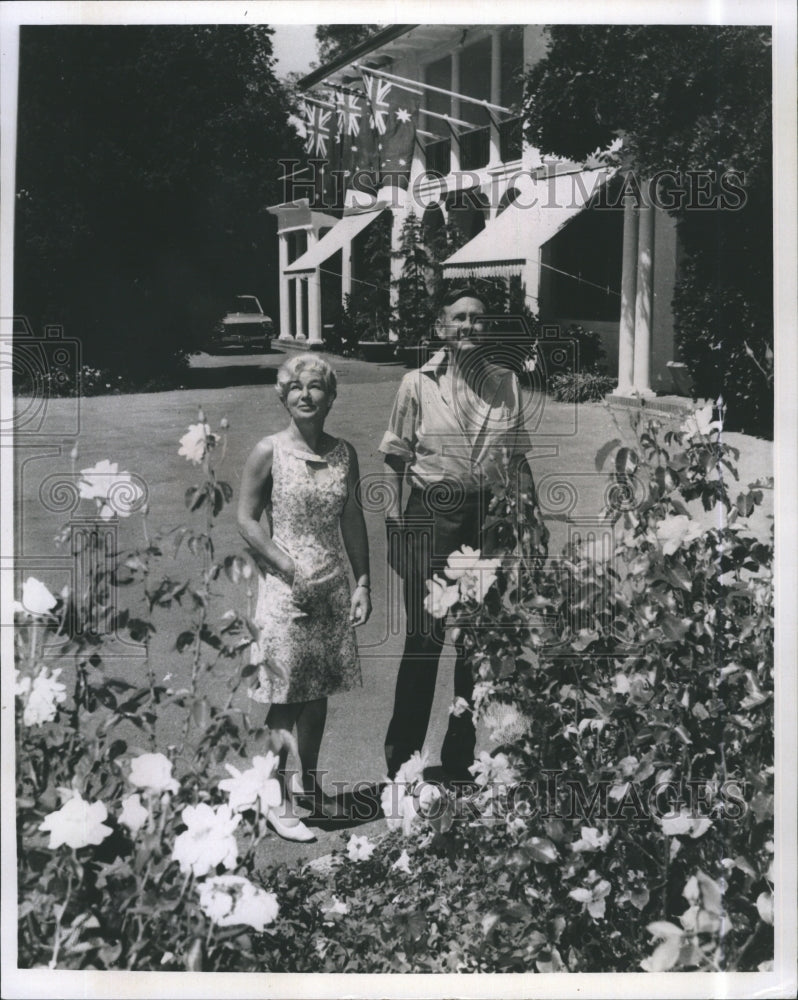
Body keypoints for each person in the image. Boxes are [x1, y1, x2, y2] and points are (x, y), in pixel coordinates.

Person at [380, 288, 535, 782]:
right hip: (431, 516)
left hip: (487, 520)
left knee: (475, 645)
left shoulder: (505, 383)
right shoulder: (415, 384)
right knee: (423, 641)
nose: (469, 326)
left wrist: (529, 520)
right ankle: (402, 761)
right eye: (459, 318)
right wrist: (393, 522)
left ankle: (459, 761)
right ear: (442, 326)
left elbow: (518, 458)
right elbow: (395, 458)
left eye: (477, 319)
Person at [238, 353, 371, 841]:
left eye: (316, 387)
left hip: (331, 586)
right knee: (285, 697)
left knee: (317, 695)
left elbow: (352, 519)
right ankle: (273, 798)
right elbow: (247, 521)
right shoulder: (267, 451)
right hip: (285, 590)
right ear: (283, 397)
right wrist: (285, 564)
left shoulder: (344, 453)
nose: (306, 395)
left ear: (331, 397)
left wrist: (362, 582)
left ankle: (309, 789)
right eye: (295, 387)